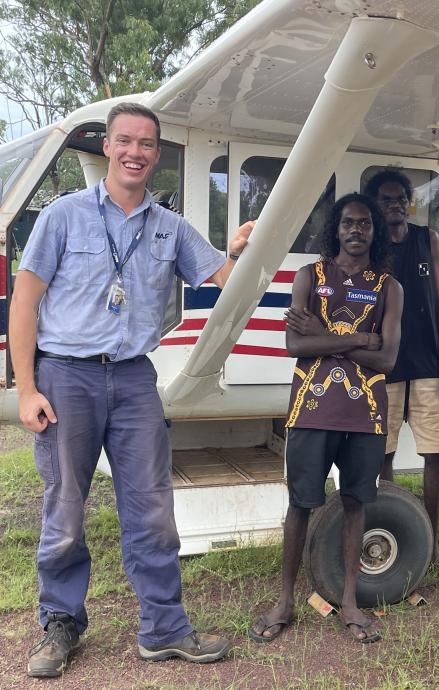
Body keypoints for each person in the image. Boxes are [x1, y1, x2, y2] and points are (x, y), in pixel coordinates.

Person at [9, 102, 255, 678]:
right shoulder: (63, 216)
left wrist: (242, 249)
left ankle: (164, 629)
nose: (134, 152)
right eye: (125, 140)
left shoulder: (169, 227)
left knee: (152, 510)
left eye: (146, 144)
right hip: (66, 375)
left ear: (157, 154)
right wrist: (26, 389)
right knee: (65, 506)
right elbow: (24, 302)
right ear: (107, 146)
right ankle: (60, 623)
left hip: (134, 378)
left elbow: (219, 276)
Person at [249, 193, 403, 644]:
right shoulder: (308, 278)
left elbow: (389, 359)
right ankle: (284, 601)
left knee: (356, 505)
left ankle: (350, 602)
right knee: (300, 504)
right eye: (348, 223)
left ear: (374, 231)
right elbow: (295, 346)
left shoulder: (389, 287)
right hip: (311, 412)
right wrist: (362, 339)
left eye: (365, 224)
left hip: (365, 415)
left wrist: (327, 334)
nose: (356, 231)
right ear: (336, 228)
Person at [365, 168, 439, 577]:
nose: (396, 205)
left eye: (401, 198)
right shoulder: (371, 245)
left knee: (434, 453)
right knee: (383, 454)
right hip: (386, 366)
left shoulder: (425, 239)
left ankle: (433, 544)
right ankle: (396, 536)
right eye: (386, 200)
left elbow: (438, 302)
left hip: (425, 363)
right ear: (375, 205)